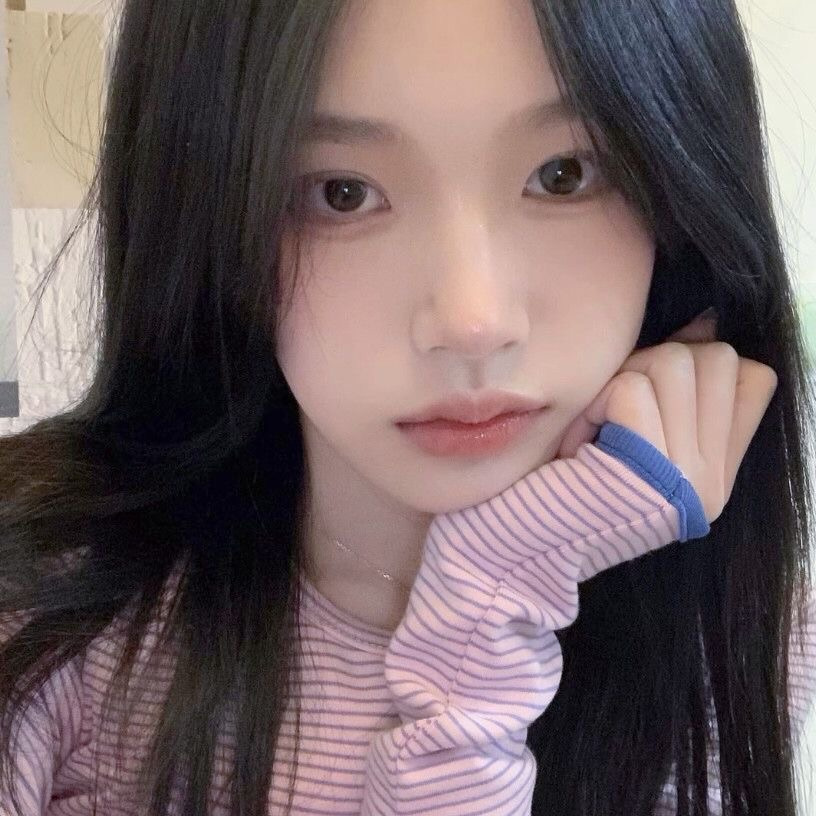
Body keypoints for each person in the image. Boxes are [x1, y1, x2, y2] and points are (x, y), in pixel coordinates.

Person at [1, 0, 814, 814]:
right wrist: (488, 616)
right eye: (341, 193)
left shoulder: (747, 630)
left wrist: (498, 587)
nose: (472, 322)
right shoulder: (44, 618)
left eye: (565, 173)